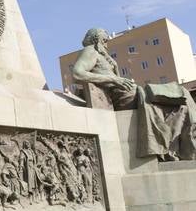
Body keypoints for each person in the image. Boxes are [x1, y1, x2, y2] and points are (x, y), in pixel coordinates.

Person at [73, 28, 196, 160]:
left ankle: (175, 150)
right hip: (127, 98)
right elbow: (77, 72)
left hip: (134, 93)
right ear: (96, 39)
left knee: (182, 107)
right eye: (104, 39)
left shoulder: (105, 56)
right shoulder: (91, 50)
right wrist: (114, 79)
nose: (107, 43)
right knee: (180, 93)